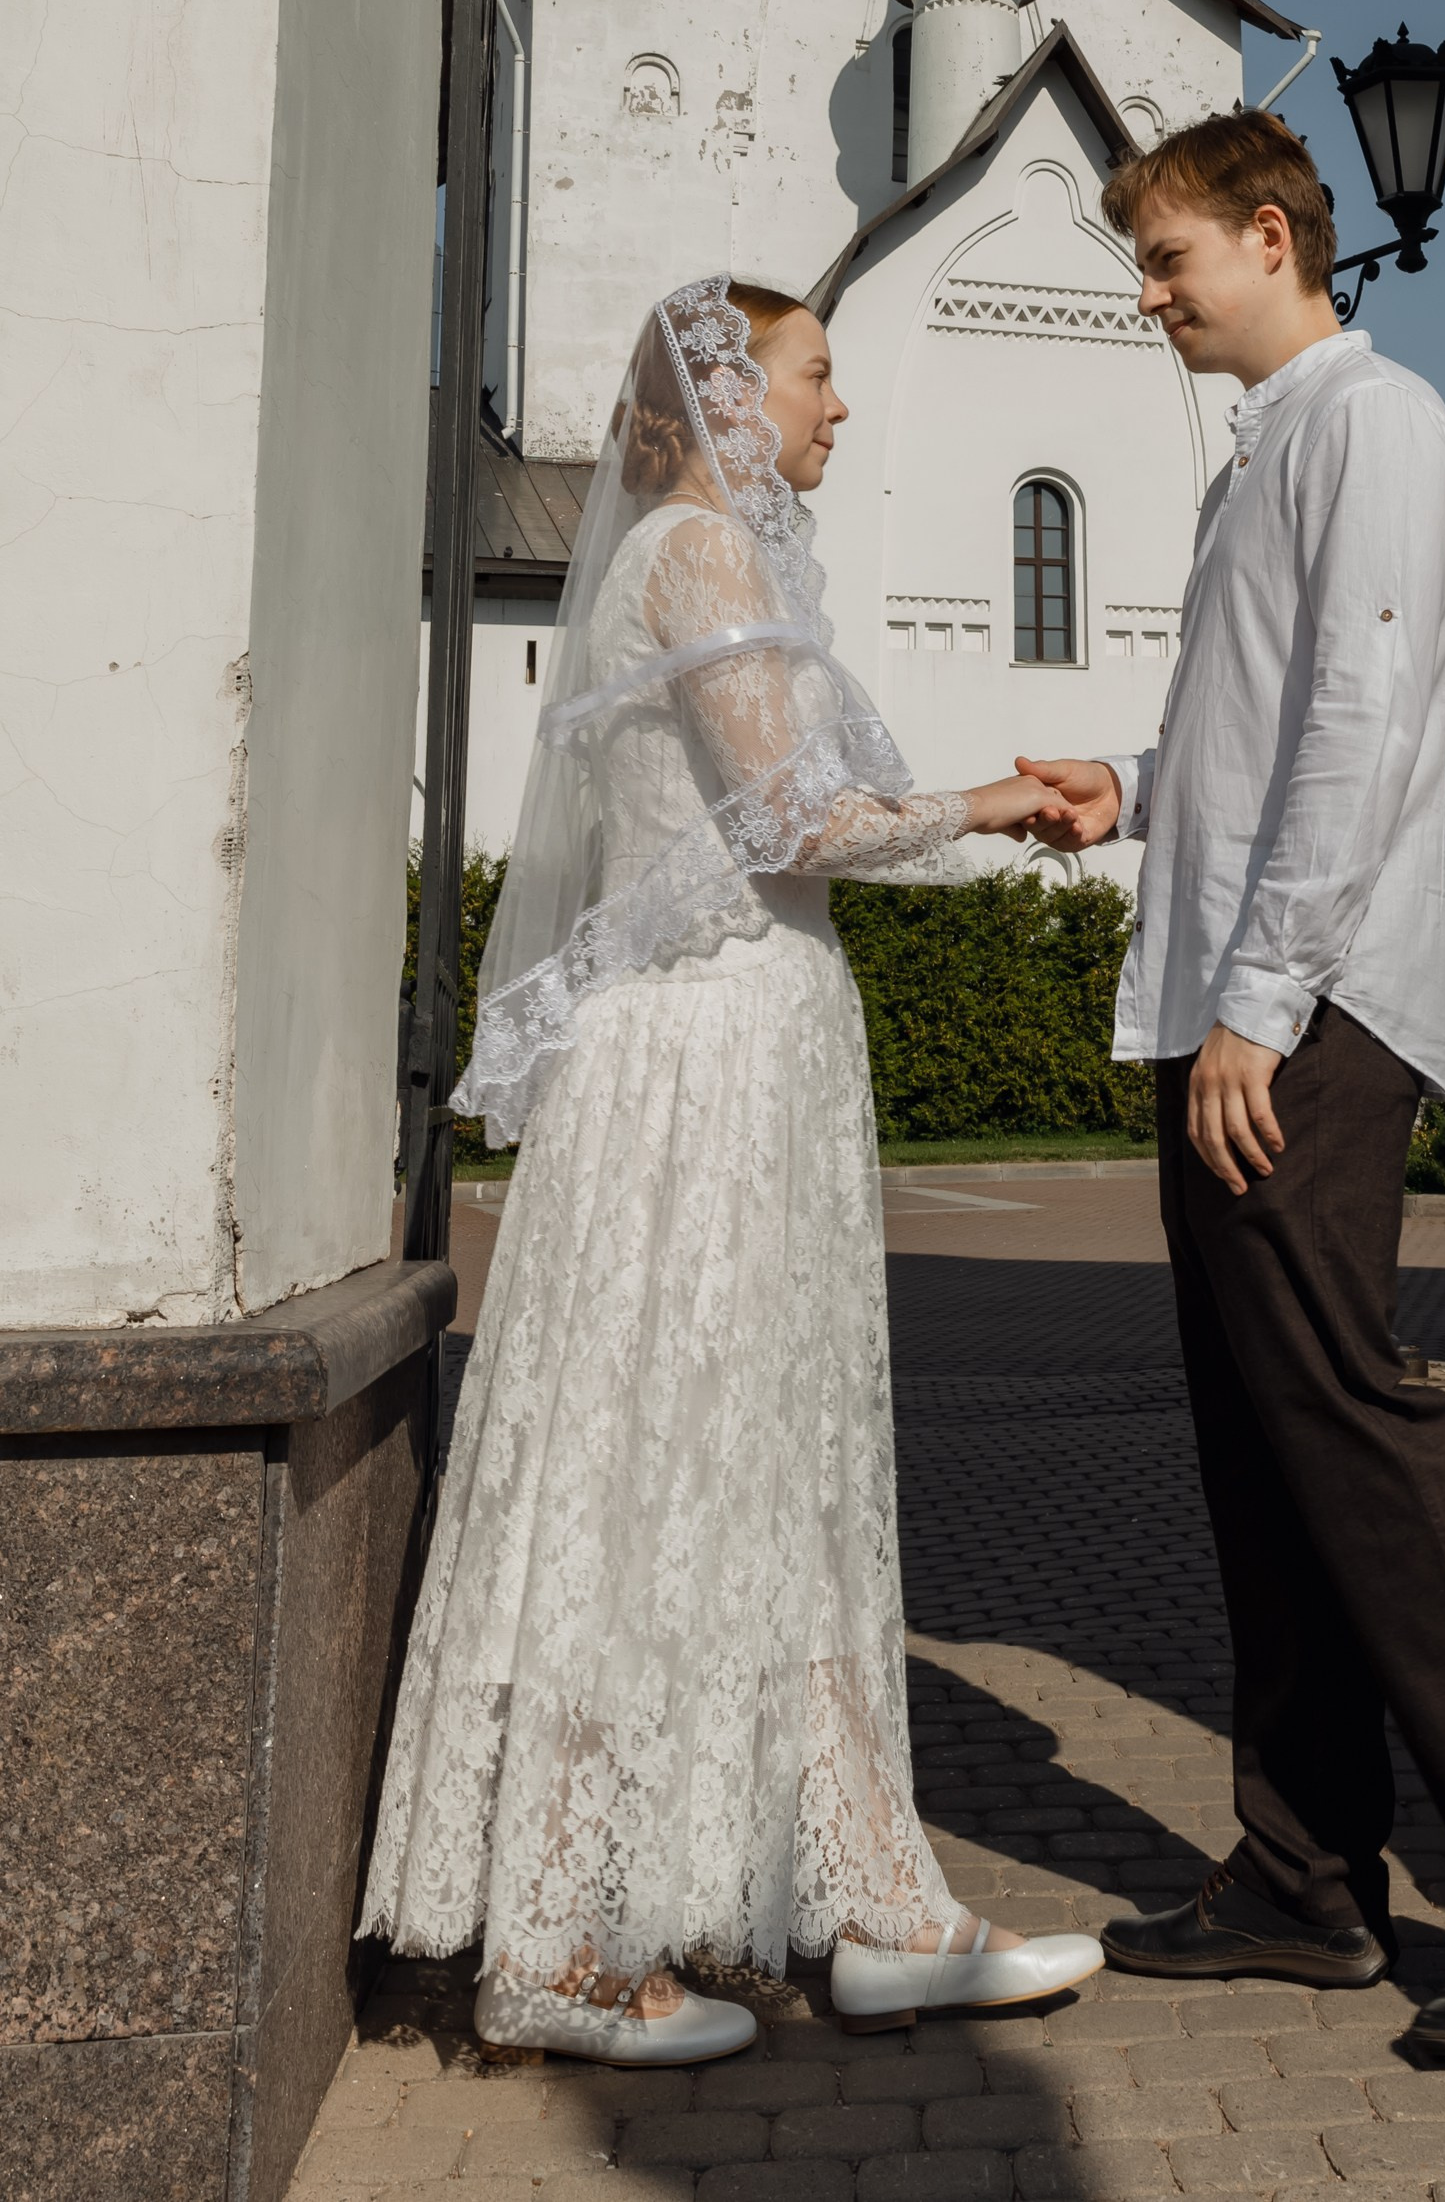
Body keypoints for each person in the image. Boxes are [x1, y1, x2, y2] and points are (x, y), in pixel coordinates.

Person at [363, 274, 1103, 2058]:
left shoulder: (710, 558)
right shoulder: (695, 551)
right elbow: (795, 823)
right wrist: (1012, 804)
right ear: (724, 394)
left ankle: (866, 1901)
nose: (836, 408)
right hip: (695, 1067)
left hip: (750, 1063)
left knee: (779, 1475)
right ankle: (555, 1945)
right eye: (816, 374)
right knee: (654, 1476)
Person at [1017, 115, 1445, 2060]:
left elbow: (1374, 723)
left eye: (1168, 258)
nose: (1148, 295)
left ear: (1275, 235)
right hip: (1229, 996)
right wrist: (1127, 789)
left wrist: (1267, 996)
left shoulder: (1375, 425)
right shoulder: (1268, 458)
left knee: (1352, 1420)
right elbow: (1257, 717)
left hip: (1304, 1017)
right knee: (1261, 1437)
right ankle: (1306, 1874)